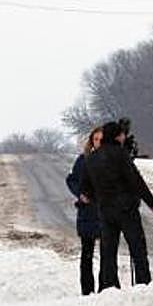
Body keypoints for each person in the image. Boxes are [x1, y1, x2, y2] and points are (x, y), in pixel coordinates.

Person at [79, 120, 153, 290]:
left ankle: (109, 287)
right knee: (137, 249)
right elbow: (136, 180)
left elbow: (86, 188)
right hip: (126, 209)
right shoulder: (121, 155)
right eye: (122, 134)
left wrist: (97, 198)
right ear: (117, 136)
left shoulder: (91, 158)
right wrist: (151, 203)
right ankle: (143, 284)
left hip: (105, 211)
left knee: (108, 252)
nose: (124, 137)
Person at [65, 126, 103, 296]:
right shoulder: (83, 160)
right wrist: (80, 194)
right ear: (91, 141)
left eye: (102, 140)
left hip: (106, 213)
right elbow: (71, 180)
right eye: (96, 139)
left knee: (108, 256)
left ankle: (106, 290)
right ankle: (87, 292)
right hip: (87, 213)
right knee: (87, 255)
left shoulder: (113, 160)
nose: (98, 143)